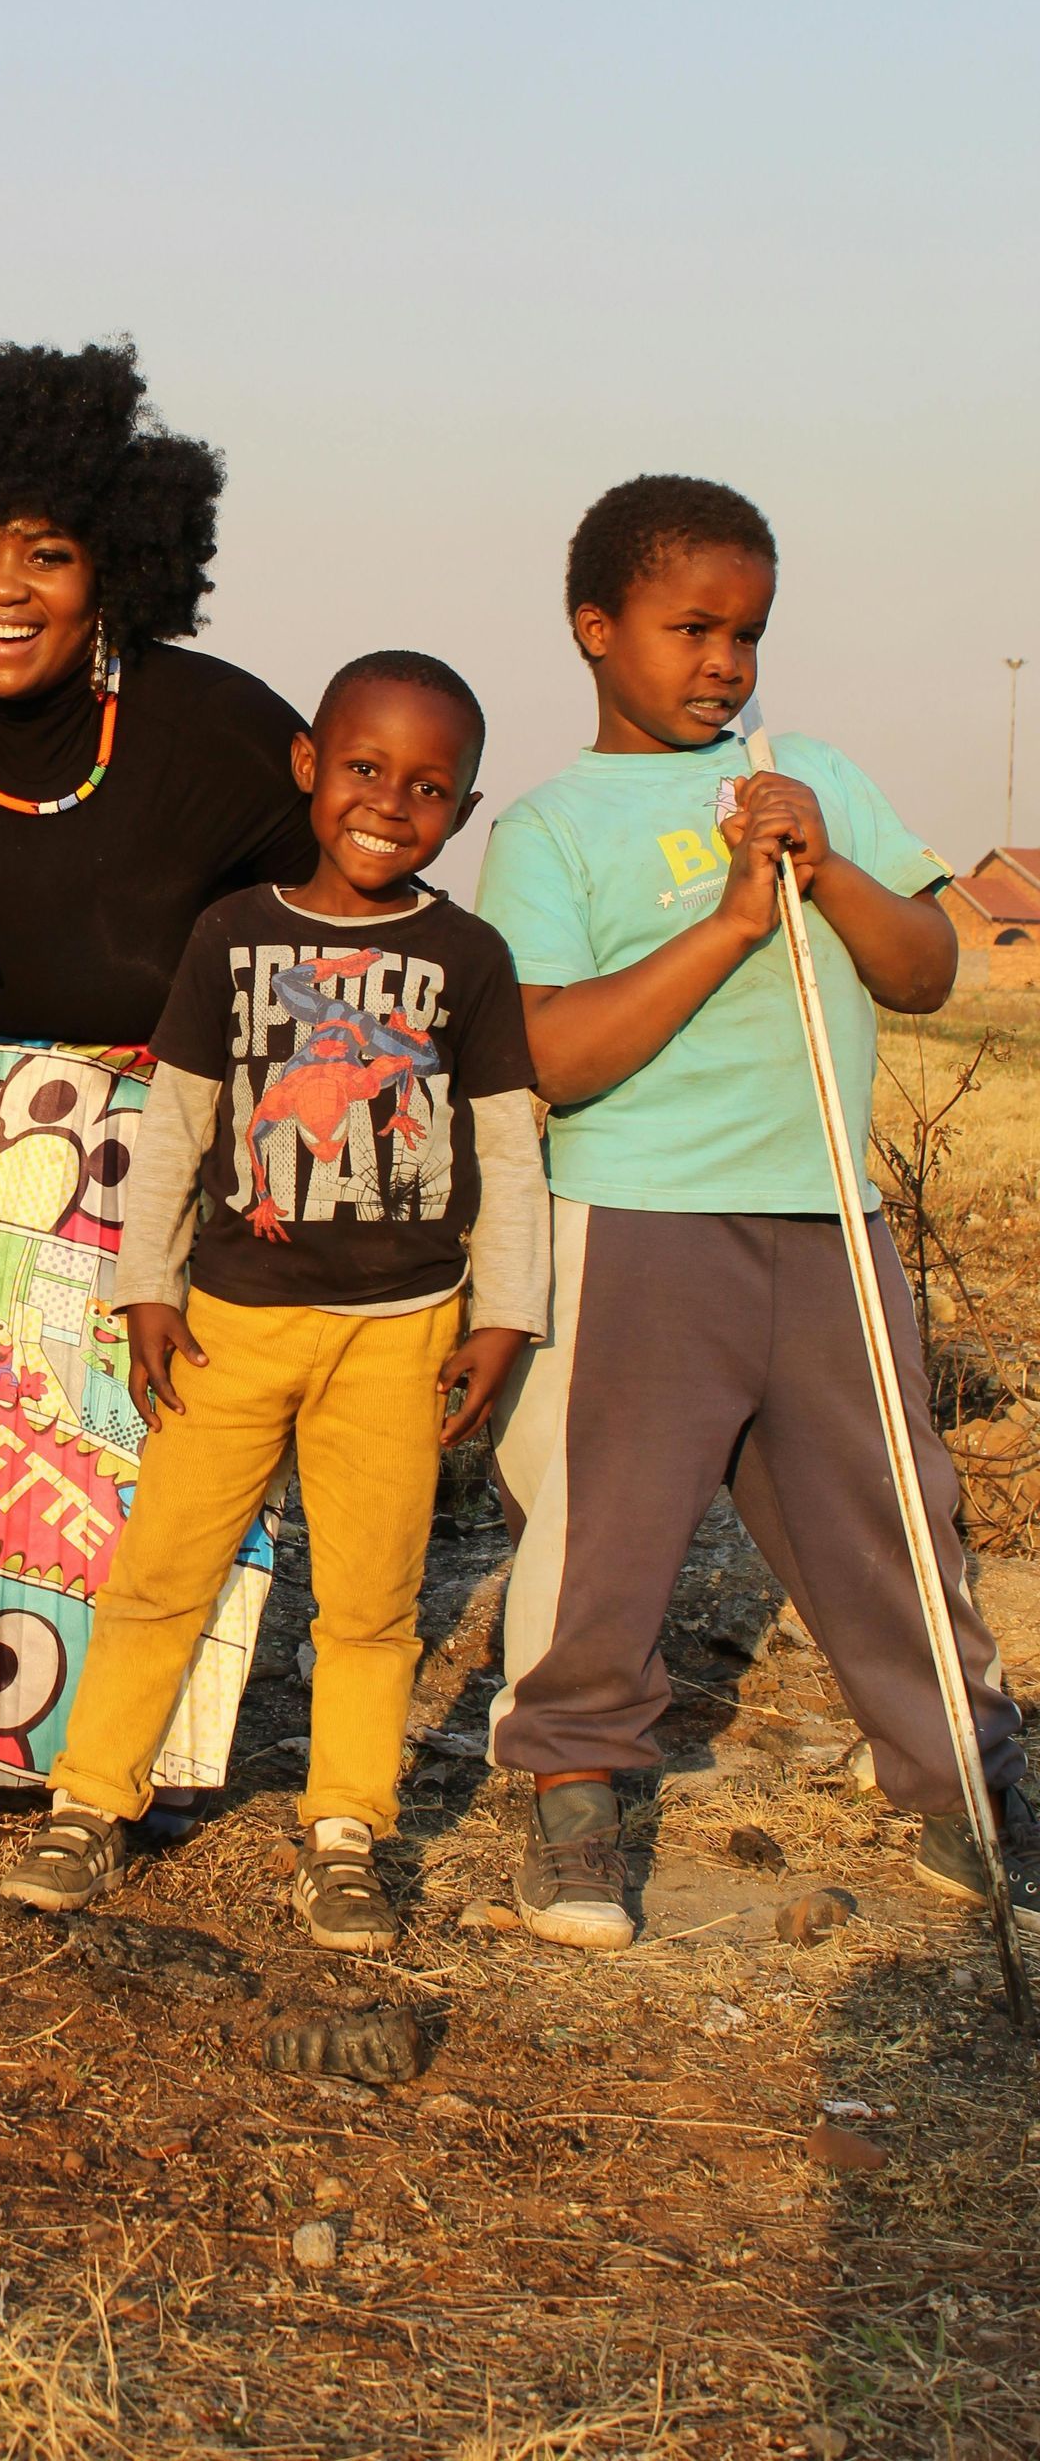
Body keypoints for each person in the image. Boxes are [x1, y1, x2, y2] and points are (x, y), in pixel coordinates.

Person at [474, 472, 1036, 1949]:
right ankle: (574, 1792)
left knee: (895, 1515)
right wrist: (734, 918)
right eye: (691, 628)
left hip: (830, 1219)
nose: (724, 662)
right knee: (603, 1531)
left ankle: (966, 1787)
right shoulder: (550, 828)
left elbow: (926, 970)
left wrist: (822, 862)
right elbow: (551, 1054)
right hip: (638, 1224)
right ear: (596, 628)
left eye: (749, 634)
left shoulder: (813, 777)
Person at [0, 652, 550, 1946]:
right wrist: (148, 1286)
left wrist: (504, 1315)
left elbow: (507, 1145)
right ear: (309, 765)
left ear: (464, 810)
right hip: (230, 1324)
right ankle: (90, 1802)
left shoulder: (467, 957)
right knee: (161, 1572)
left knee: (371, 1602)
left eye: (429, 787)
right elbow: (179, 1125)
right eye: (364, 767)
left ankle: (347, 1832)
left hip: (401, 1332)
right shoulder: (234, 936)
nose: (390, 803)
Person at [0, 337, 318, 1798]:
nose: (5, 587)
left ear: (116, 567)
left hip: (148, 1186)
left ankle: (131, 1758)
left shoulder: (221, 731)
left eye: (48, 553)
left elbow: (345, 915)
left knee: (145, 1475)